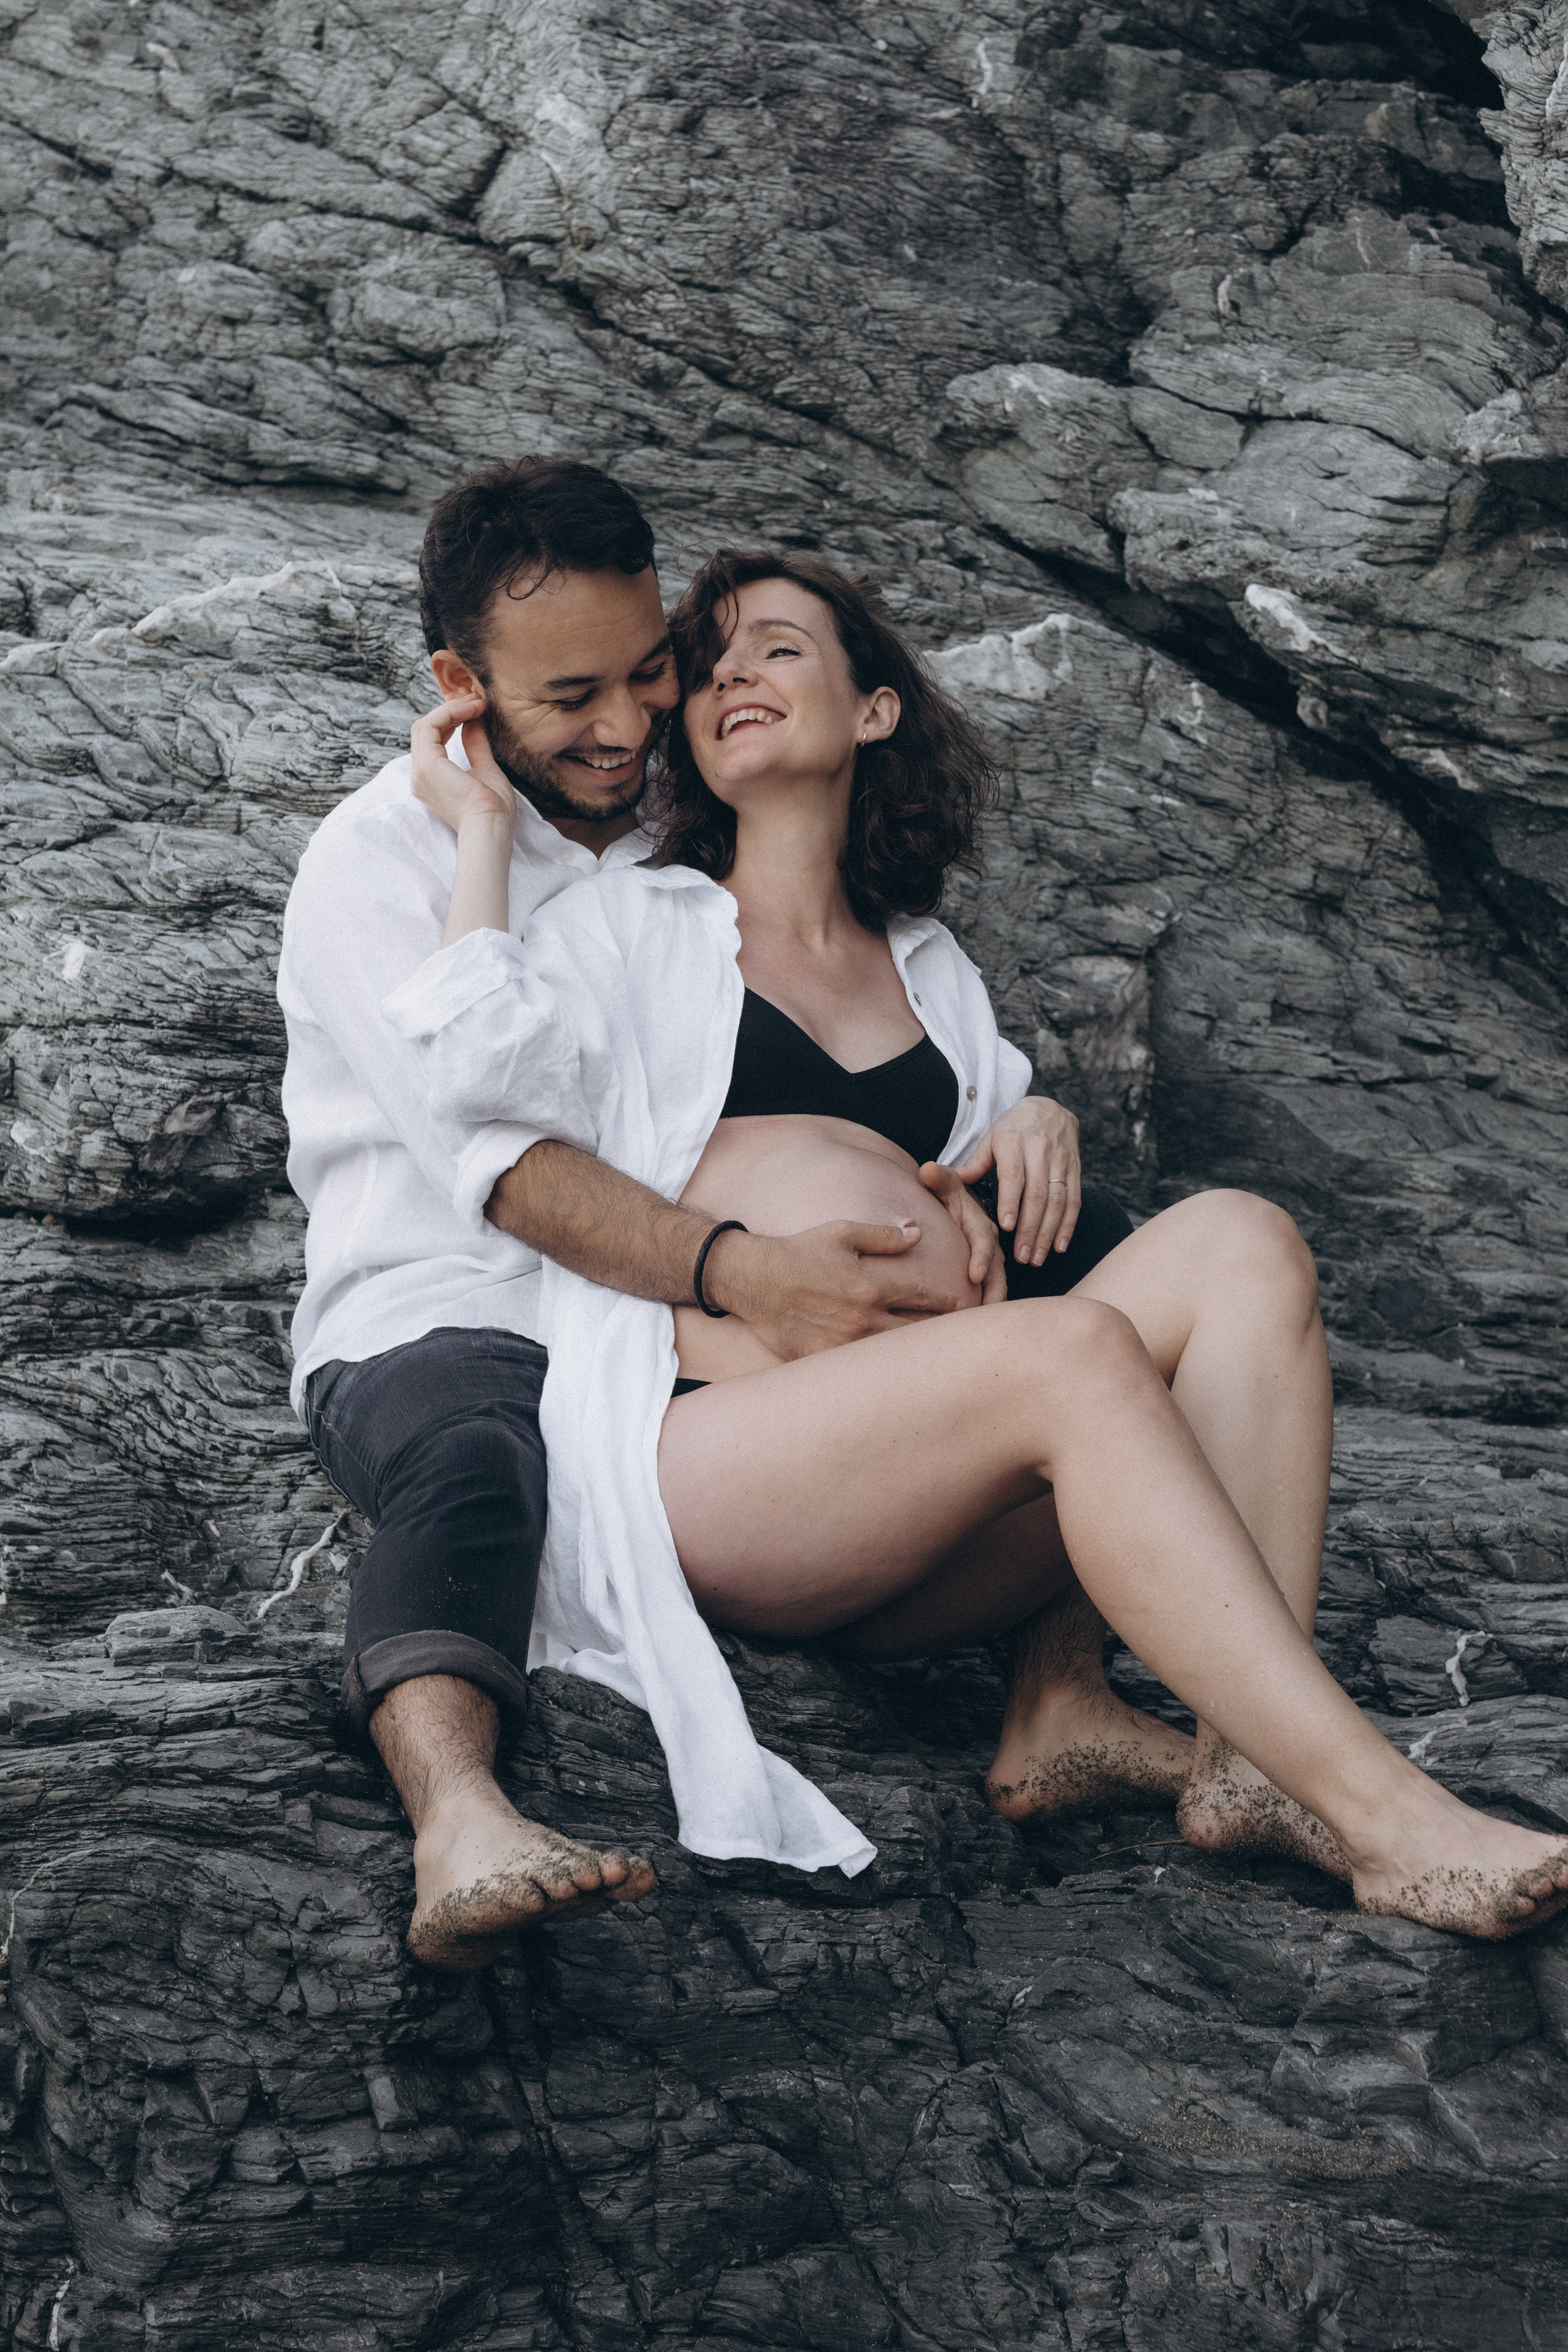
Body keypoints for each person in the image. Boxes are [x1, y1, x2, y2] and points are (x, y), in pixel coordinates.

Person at [394, 546, 1568, 1947]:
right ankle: (1386, 1819)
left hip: (922, 1487)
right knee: (1070, 1353)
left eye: (773, 649)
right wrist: (475, 831)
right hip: (712, 1455)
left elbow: (979, 1176)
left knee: (1240, 1241)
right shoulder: (633, 920)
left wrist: (1036, 1116)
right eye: (705, 668)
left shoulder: (927, 967)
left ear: (872, 710)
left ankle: (1214, 1748)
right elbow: (474, 1086)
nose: (726, 677)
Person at [280, 458, 1118, 1972]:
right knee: (480, 1455)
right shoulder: (376, 860)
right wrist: (743, 1278)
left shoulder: (674, 809)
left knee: (1072, 1321)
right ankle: (461, 1822)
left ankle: (1066, 1692)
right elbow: (509, 1168)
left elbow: (834, 1018)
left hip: (663, 1330)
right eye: (570, 697)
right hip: (453, 1297)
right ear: (462, 685)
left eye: (648, 672)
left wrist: (1019, 1114)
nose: (621, 727)